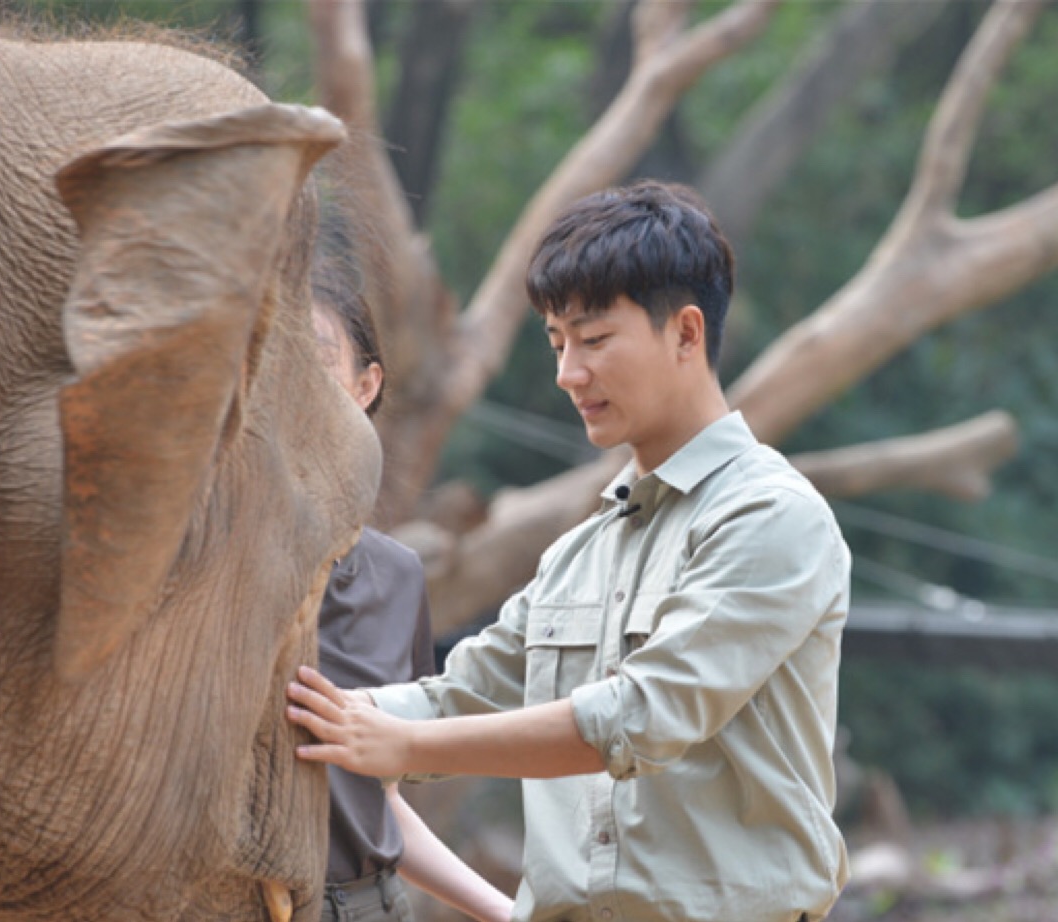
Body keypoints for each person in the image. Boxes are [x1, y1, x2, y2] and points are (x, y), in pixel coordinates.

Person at [288, 180, 852, 922]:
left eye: (593, 340)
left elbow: (640, 715)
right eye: (556, 342)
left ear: (686, 333)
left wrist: (397, 743)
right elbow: (463, 691)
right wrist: (318, 712)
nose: (567, 373)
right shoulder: (582, 549)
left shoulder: (772, 518)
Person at [308, 267, 514, 922]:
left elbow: (377, 806)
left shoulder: (395, 577)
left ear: (367, 386)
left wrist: (509, 914)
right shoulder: (196, 555)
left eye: (312, 359)